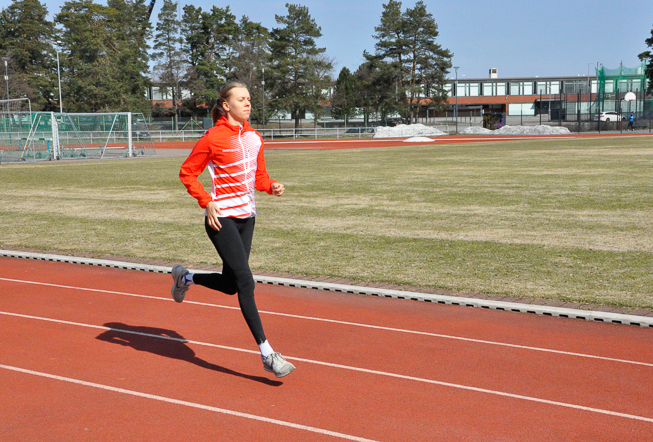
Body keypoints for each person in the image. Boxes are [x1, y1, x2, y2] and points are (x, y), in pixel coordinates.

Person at [171, 82, 295, 378]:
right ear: (226, 105)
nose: (247, 103)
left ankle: (185, 277)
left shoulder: (254, 138)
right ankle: (268, 354)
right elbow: (187, 172)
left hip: (247, 218)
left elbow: (259, 176)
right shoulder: (213, 137)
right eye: (241, 99)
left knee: (231, 285)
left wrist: (271, 187)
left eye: (249, 99)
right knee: (246, 281)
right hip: (221, 218)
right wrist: (206, 201)